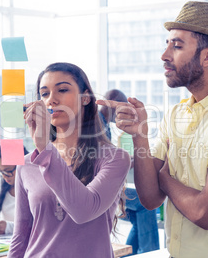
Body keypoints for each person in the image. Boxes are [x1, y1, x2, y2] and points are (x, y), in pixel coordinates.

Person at [97, 1, 208, 258]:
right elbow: (150, 198)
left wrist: (165, 178)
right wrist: (139, 135)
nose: (164, 55)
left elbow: (205, 213)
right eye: (167, 45)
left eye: (176, 46)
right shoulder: (176, 113)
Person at [8, 62, 131, 257]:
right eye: (44, 93)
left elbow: (83, 211)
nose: (51, 100)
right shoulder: (27, 164)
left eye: (62, 90)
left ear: (85, 98)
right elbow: (20, 237)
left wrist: (44, 148)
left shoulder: (114, 158)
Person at [99, 89, 160, 255]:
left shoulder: (102, 124)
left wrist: (131, 160)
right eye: (119, 108)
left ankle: (133, 253)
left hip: (109, 188)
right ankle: (151, 253)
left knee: (137, 216)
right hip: (104, 191)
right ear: (110, 102)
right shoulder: (99, 125)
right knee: (145, 205)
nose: (120, 115)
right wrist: (128, 161)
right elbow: (104, 164)